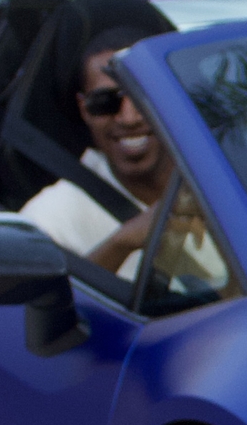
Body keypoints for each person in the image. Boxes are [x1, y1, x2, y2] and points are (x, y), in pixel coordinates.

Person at [19, 28, 231, 294]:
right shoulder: (49, 219)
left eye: (144, 97)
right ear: (85, 109)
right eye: (106, 102)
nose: (129, 118)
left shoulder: (246, 186)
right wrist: (120, 245)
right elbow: (38, 321)